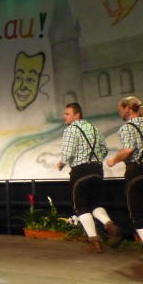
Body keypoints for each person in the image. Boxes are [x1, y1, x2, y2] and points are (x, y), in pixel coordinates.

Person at [57, 102, 121, 252]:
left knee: (80, 206)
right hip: (97, 170)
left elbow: (68, 153)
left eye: (67, 114)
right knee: (94, 204)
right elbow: (104, 149)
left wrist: (61, 163)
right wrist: (95, 159)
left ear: (77, 115)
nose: (64, 116)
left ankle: (95, 242)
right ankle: (110, 225)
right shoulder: (93, 128)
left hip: (80, 171)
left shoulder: (71, 130)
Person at [106, 96, 143, 264]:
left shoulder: (127, 127)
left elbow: (128, 150)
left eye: (120, 109)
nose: (119, 112)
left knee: (138, 213)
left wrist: (113, 160)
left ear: (128, 109)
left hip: (136, 172)